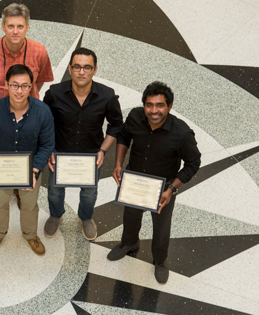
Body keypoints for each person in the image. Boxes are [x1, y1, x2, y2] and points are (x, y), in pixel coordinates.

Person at [107, 81, 201, 284]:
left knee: (161, 226)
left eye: (160, 105)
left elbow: (193, 163)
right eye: (149, 105)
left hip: (163, 187)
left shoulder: (182, 133)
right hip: (134, 180)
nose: (154, 110)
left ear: (169, 106)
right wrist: (118, 164)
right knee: (130, 217)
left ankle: (160, 260)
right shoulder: (135, 116)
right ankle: (129, 244)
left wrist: (171, 189)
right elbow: (124, 137)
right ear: (144, 105)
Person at [0, 3, 54, 212]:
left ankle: (20, 187)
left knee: (26, 149)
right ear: (2, 26)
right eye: (11, 26)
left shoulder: (39, 51)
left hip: (26, 111)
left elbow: (40, 81)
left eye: (20, 26)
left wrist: (23, 96)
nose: (15, 31)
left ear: (27, 27)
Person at [43, 48, 123, 240]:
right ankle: (56, 214)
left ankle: (85, 218)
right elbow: (43, 122)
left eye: (87, 67)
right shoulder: (54, 93)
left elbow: (116, 125)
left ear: (95, 70)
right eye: (77, 66)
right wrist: (49, 150)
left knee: (89, 193)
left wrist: (103, 150)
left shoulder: (107, 96)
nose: (81, 72)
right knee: (54, 190)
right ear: (69, 69)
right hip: (60, 153)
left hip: (91, 156)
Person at [0, 65, 55, 255]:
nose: (19, 91)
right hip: (2, 169)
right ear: (6, 85)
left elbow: (47, 145)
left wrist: (35, 170)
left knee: (29, 205)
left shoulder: (43, 112)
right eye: (14, 85)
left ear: (31, 87)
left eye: (24, 86)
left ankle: (30, 235)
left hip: (30, 170)